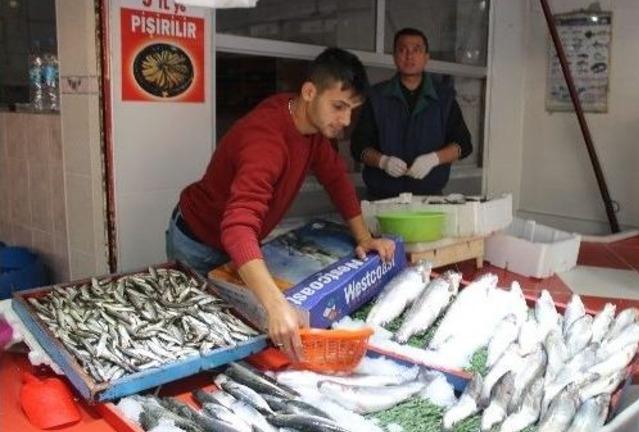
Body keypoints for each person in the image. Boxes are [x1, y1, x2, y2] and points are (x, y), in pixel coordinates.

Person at [166, 48, 395, 362]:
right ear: (309, 92)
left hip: (239, 249)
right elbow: (237, 227)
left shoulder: (309, 123)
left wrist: (364, 237)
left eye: (352, 110)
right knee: (200, 342)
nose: (345, 120)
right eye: (339, 107)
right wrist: (276, 306)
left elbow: (336, 178)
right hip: (198, 243)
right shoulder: (266, 141)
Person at [350, 27, 473, 200]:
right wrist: (383, 161)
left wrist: (434, 159)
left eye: (417, 50)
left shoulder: (443, 98)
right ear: (394, 56)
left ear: (426, 57)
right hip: (382, 199)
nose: (409, 56)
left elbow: (464, 144)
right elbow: (358, 146)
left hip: (429, 199)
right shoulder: (376, 97)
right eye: (403, 50)